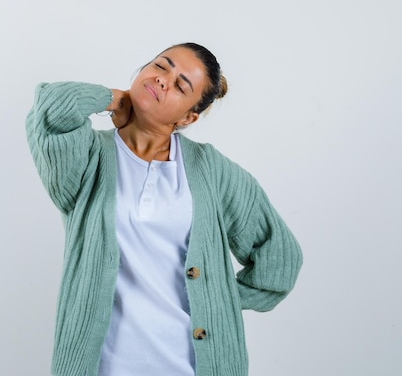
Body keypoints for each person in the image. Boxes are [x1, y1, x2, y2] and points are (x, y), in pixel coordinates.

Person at [25, 42, 303, 376]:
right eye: (161, 66)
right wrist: (115, 99)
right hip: (103, 367)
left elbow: (280, 261)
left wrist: (214, 296)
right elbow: (51, 108)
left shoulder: (211, 170)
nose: (163, 80)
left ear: (188, 116)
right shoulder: (88, 158)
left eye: (181, 84)